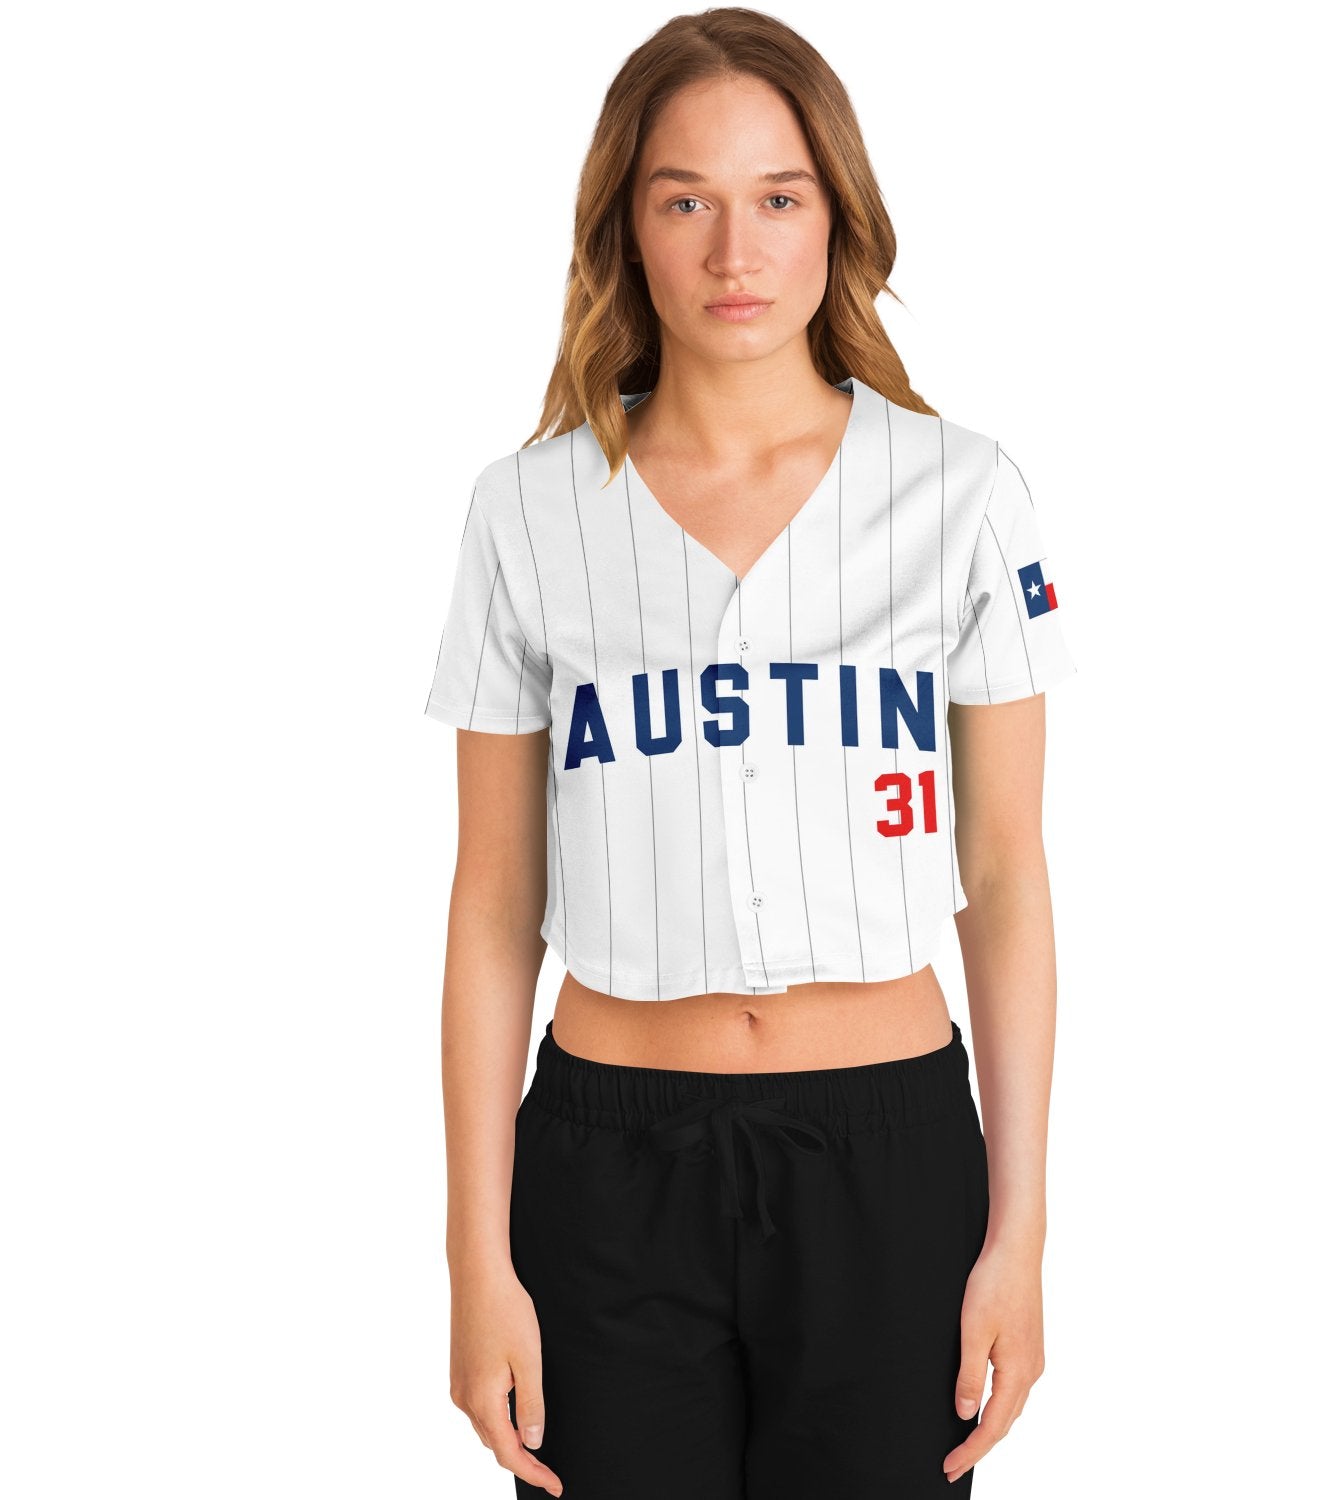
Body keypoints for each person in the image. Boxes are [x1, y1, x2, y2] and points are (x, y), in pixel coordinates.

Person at [424, 10, 1077, 1497]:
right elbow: (492, 905)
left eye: (780, 197)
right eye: (686, 201)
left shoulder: (963, 494)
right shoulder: (527, 513)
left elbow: (1004, 875)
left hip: (889, 1153)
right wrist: (475, 1258)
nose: (737, 251)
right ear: (625, 226)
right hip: (605, 1165)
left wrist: (1022, 1230)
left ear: (838, 217)